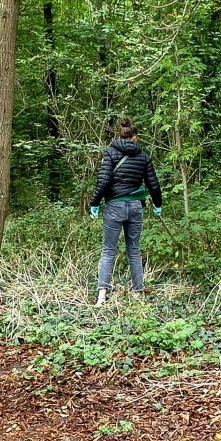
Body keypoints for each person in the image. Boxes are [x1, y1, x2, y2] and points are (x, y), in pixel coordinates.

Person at [89, 118, 163, 306]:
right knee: (134, 251)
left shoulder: (110, 153)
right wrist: (157, 204)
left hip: (115, 207)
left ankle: (101, 297)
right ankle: (138, 293)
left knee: (108, 251)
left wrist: (94, 203)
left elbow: (103, 181)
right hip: (136, 207)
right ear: (135, 137)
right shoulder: (144, 156)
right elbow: (153, 184)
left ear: (119, 135)